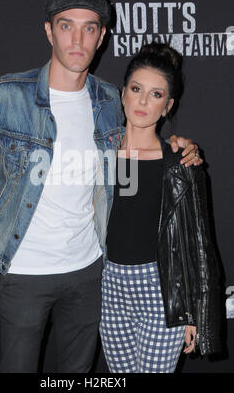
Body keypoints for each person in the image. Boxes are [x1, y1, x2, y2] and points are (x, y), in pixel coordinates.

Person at [0, 0, 201, 373]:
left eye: (89, 28)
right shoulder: (1, 96)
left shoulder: (108, 101)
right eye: (66, 26)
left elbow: (141, 144)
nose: (77, 38)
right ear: (49, 31)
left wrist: (181, 146)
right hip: (26, 273)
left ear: (101, 37)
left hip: (91, 273)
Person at [99, 42, 222, 373]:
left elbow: (198, 242)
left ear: (167, 106)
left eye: (155, 95)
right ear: (123, 93)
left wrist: (193, 312)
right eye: (137, 89)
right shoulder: (101, 156)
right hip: (109, 290)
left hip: (160, 290)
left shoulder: (180, 164)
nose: (142, 101)